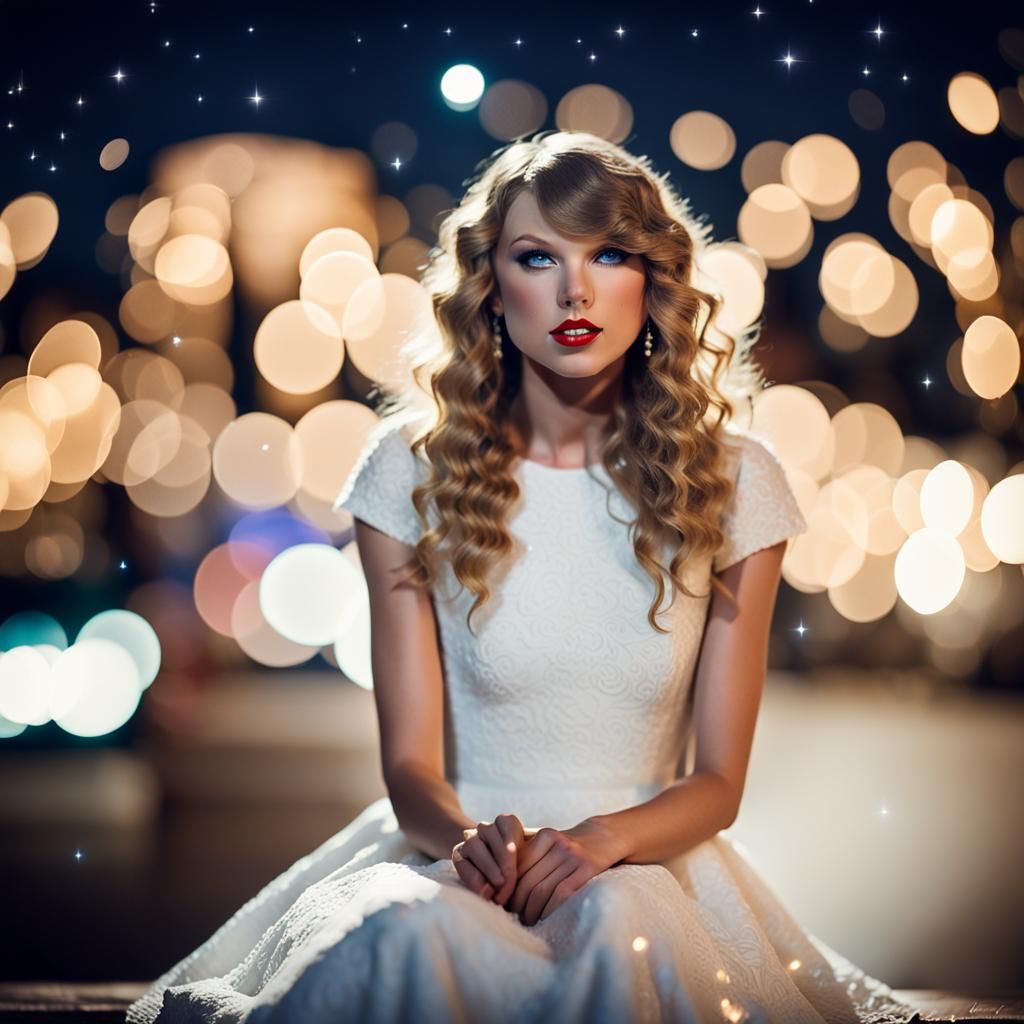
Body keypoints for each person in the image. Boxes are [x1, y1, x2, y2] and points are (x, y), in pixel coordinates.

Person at [128, 131, 919, 1023]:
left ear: (652, 282)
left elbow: (718, 785)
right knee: (406, 939)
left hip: (644, 868)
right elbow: (409, 765)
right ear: (491, 288)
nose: (575, 291)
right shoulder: (406, 472)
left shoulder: (735, 481)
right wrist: (471, 845)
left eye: (609, 254)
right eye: (538, 257)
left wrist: (600, 843)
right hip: (455, 857)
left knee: (627, 933)